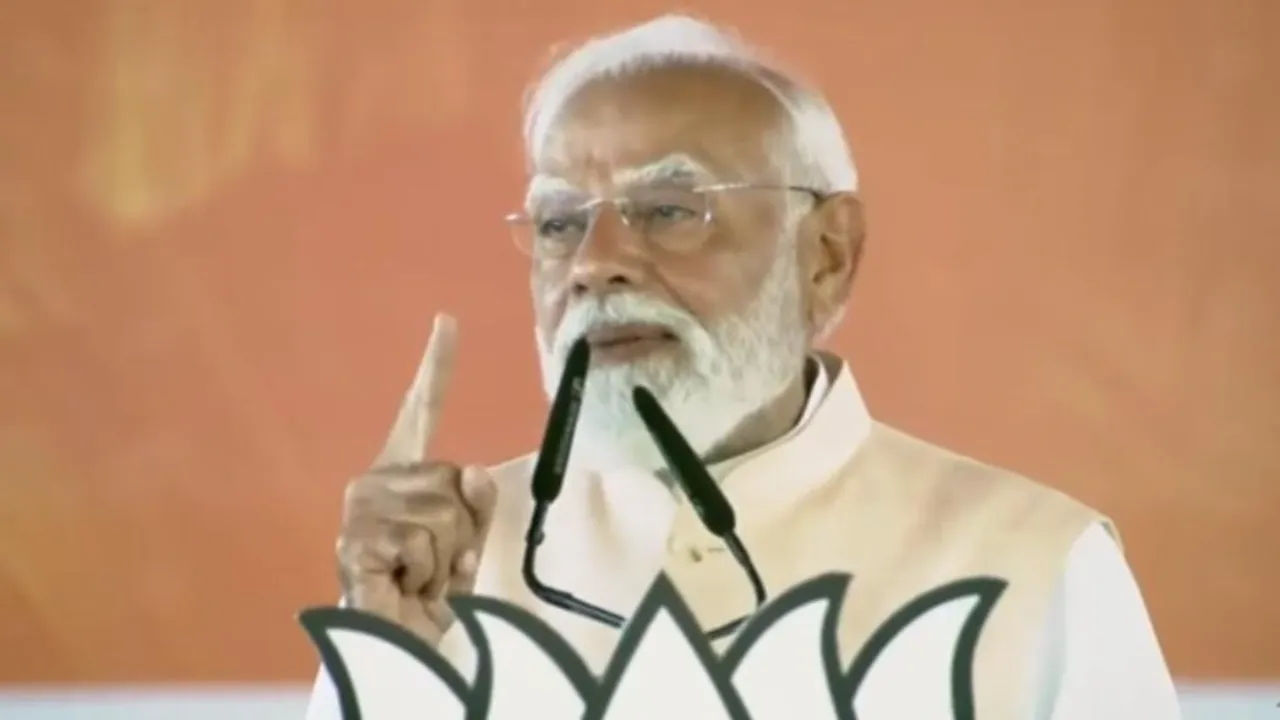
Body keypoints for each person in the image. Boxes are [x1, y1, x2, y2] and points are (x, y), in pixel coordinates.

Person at [305, 14, 1181, 720]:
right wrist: (385, 665)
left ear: (827, 253)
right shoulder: (448, 568)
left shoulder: (1031, 563)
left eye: (668, 209)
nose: (593, 264)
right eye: (561, 222)